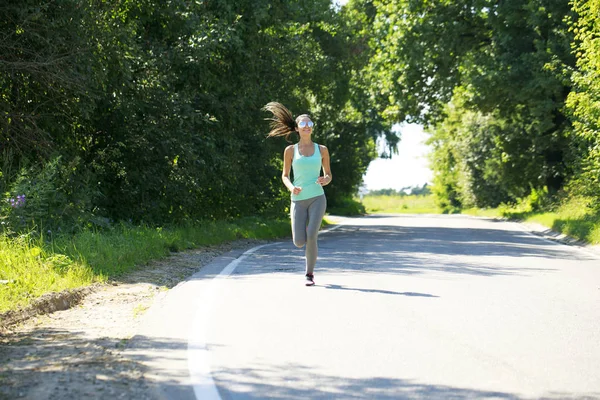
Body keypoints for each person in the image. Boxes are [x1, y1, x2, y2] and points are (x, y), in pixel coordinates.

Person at [263, 102, 332, 286]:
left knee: (312, 236)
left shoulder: (322, 149)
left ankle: (309, 274)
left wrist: (326, 179)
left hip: (317, 197)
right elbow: (284, 175)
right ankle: (306, 247)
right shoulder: (290, 150)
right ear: (297, 128)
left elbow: (328, 174)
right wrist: (291, 187)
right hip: (298, 199)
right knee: (299, 242)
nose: (307, 127)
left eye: (310, 124)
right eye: (303, 124)